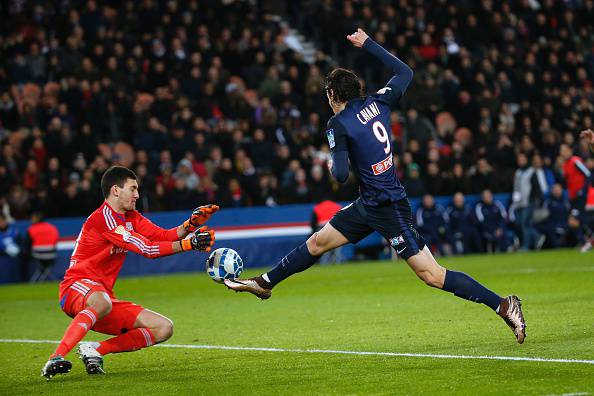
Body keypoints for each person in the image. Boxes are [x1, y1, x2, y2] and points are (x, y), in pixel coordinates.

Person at [224, 29, 526, 344]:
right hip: (370, 203)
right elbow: (405, 72)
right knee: (317, 243)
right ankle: (265, 282)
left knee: (432, 275)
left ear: (332, 95)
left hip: (387, 207)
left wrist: (331, 161)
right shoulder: (379, 102)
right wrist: (368, 44)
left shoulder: (336, 124)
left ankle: (503, 304)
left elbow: (340, 175)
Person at [41, 166, 218, 379]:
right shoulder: (104, 219)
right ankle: (56, 357)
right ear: (116, 190)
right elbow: (148, 249)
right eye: (132, 189)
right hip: (75, 287)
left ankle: (95, 349)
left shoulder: (131, 216)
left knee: (163, 328)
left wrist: (191, 224)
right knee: (102, 301)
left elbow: (162, 236)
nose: (137, 195)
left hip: (102, 298)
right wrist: (188, 245)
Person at [25, 211, 60, 282]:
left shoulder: (31, 229)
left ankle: (34, 280)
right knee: (45, 268)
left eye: (32, 218)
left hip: (38, 255)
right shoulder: (52, 227)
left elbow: (28, 243)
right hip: (51, 254)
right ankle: (45, 276)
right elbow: (56, 240)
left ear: (37, 218)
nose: (31, 220)